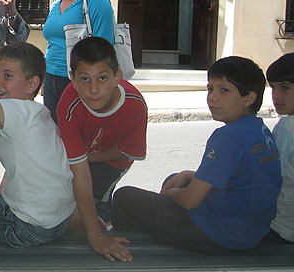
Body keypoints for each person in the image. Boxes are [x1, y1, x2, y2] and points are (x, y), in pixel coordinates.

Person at [112, 56, 282, 252]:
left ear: (248, 98)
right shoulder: (259, 130)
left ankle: (131, 253)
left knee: (124, 197)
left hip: (214, 233)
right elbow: (241, 177)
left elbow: (190, 201)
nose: (213, 97)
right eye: (210, 89)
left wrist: (172, 195)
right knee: (176, 178)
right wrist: (189, 176)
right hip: (249, 232)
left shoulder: (228, 136)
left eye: (224, 90)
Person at [0, 42, 76, 248]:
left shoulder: (17, 111)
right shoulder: (37, 113)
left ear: (32, 85)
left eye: (7, 76)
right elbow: (19, 166)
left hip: (28, 227)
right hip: (58, 219)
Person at [57, 36, 147, 228]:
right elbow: (76, 166)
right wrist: (81, 158)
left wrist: (87, 158)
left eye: (103, 78)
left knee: (78, 215)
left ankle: (105, 218)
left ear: (117, 77)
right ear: (72, 79)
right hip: (78, 159)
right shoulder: (69, 103)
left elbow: (129, 151)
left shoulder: (135, 105)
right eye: (84, 79)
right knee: (61, 207)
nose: (94, 89)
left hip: (111, 162)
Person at [42, 0, 115, 123]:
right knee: (56, 136)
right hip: (51, 79)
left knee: (79, 134)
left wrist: (92, 84)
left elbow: (104, 44)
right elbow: (52, 42)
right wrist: (45, 78)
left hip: (78, 80)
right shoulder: (56, 5)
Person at [263, 53, 294, 243]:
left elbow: (269, 179)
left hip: (279, 228)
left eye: (285, 88)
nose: (277, 96)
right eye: (273, 88)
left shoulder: (288, 128)